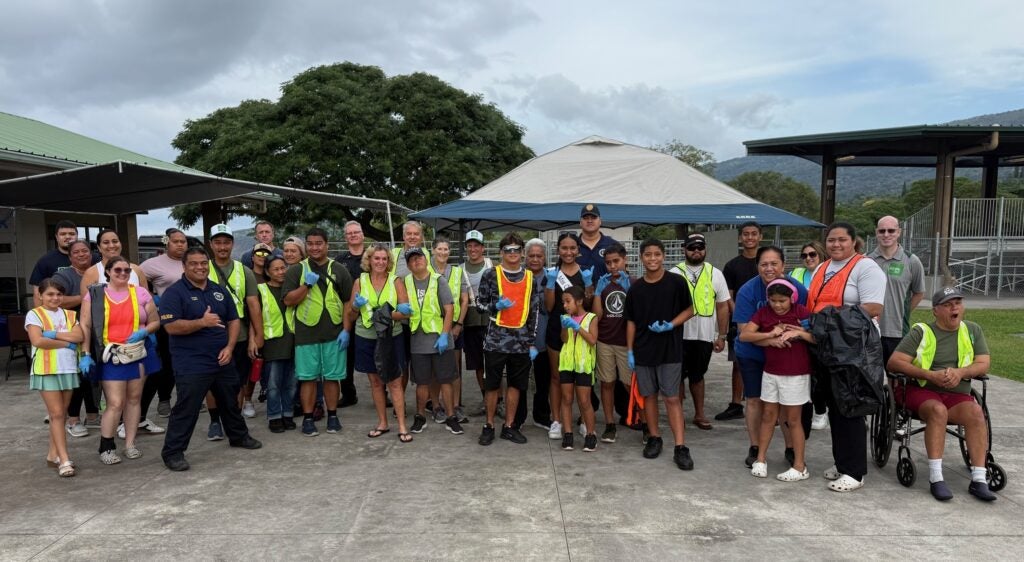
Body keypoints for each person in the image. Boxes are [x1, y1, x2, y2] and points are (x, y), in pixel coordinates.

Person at [886, 286, 997, 502]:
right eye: (947, 304)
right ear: (936, 310)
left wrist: (961, 372)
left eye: (957, 303)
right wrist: (929, 375)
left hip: (956, 394)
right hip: (921, 390)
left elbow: (983, 363)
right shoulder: (922, 331)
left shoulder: (972, 330)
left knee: (975, 412)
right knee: (937, 411)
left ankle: (979, 479)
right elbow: (894, 362)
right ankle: (936, 478)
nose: (954, 308)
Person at [160, 247, 262, 471]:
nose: (200, 267)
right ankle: (173, 453)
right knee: (187, 407)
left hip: (222, 358)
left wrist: (230, 346)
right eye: (194, 263)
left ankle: (238, 436)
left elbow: (234, 320)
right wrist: (201, 322)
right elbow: (171, 326)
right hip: (192, 362)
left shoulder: (218, 290)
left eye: (203, 263)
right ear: (184, 267)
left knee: (230, 400)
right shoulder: (174, 293)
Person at [806, 222, 886, 493]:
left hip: (852, 349)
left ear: (854, 241)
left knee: (850, 405)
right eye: (831, 240)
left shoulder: (865, 267)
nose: (836, 244)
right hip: (826, 346)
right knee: (834, 405)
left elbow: (874, 306)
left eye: (842, 240)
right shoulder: (822, 268)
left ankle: (854, 471)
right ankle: (841, 462)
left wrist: (829, 320)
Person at [79, 256, 161, 465]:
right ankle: (106, 445)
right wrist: (85, 353)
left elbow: (155, 321)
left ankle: (130, 444)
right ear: (108, 272)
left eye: (126, 270)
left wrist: (143, 333)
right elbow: (85, 325)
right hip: (110, 355)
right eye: (118, 270)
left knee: (134, 399)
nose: (123, 274)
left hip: (138, 352)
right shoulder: (95, 294)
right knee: (115, 402)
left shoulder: (140, 292)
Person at [733, 246, 809, 470]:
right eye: (764, 264)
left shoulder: (798, 290)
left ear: (783, 265)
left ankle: (790, 448)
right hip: (753, 353)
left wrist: (788, 337)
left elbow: (805, 326)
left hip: (786, 356)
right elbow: (743, 331)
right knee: (756, 400)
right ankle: (755, 447)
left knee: (787, 405)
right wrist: (769, 340)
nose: (769, 268)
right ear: (757, 266)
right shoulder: (748, 290)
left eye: (774, 263)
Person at [625, 239, 695, 470]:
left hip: (670, 349)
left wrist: (671, 325)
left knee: (672, 397)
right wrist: (630, 350)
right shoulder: (636, 288)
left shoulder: (676, 282)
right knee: (649, 397)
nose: (652, 258)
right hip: (644, 350)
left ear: (663, 256)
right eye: (648, 254)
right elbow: (631, 322)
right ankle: (654, 438)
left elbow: (690, 309)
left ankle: (681, 447)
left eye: (656, 254)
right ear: (641, 257)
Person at [282, 227, 354, 437]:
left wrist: (346, 330)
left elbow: (348, 302)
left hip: (334, 333)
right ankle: (308, 418)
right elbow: (288, 300)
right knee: (308, 378)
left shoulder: (339, 269)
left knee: (332, 378)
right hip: (306, 335)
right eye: (310, 244)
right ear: (306, 245)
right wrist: (306, 285)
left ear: (327, 245)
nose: (314, 247)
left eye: (318, 243)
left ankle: (332, 416)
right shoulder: (296, 270)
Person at [476, 232, 541, 446]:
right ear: (501, 252)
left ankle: (509, 426)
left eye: (516, 250)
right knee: (493, 385)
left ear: (522, 253)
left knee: (516, 385)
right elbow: (480, 304)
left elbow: (534, 312)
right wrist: (495, 307)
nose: (512, 254)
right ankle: (489, 425)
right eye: (507, 250)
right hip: (495, 341)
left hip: (521, 343)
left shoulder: (530, 277)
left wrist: (531, 341)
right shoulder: (490, 274)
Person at [668, 233, 730, 431]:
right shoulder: (674, 273)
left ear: (705, 249)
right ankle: (678, 415)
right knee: (677, 376)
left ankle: (699, 413)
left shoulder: (715, 273)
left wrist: (722, 335)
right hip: (679, 335)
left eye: (700, 247)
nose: (696, 251)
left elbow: (722, 306)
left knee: (698, 375)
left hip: (703, 336)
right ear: (683, 249)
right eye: (691, 247)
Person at [349, 244, 411, 441]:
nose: (380, 262)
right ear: (369, 260)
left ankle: (402, 426)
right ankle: (382, 423)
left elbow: (405, 312)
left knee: (394, 381)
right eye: (376, 258)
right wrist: (355, 307)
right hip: (366, 336)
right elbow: (351, 313)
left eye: (384, 259)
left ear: (389, 261)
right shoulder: (360, 281)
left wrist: (383, 315)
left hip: (391, 337)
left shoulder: (396, 282)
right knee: (375, 382)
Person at [399, 247, 463, 436]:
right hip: (418, 340)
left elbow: (449, 308)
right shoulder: (405, 282)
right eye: (412, 260)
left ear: (426, 260)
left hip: (440, 339)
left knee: (446, 380)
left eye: (419, 258)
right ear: (409, 265)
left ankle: (451, 417)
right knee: (421, 382)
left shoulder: (438, 280)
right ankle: (420, 417)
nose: (416, 261)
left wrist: (445, 334)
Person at [206, 224, 263, 427]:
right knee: (212, 383)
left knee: (237, 381)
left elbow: (253, 305)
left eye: (227, 242)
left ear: (232, 244)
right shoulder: (203, 268)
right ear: (211, 244)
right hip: (210, 335)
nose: (223, 247)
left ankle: (234, 421)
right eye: (218, 242)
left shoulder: (243, 271)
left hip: (239, 334)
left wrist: (257, 336)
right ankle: (215, 422)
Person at [26, 278, 84, 477]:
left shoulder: (69, 314)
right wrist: (65, 343)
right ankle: (64, 459)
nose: (55, 298)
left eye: (59, 294)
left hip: (68, 368)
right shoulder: (34, 314)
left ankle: (53, 454)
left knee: (60, 415)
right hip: (46, 369)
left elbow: (79, 337)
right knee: (58, 414)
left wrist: (53, 335)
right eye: (50, 294)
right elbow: (38, 340)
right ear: (40, 295)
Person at [544, 232, 595, 440]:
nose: (568, 252)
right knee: (557, 378)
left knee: (583, 379)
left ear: (578, 250)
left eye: (572, 248)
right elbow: (548, 307)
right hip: (558, 331)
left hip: (581, 334)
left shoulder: (585, 273)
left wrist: (589, 285)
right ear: (558, 250)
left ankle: (584, 420)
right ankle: (557, 421)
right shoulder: (553, 272)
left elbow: (590, 306)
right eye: (564, 248)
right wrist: (549, 284)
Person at [52, 240, 100, 437]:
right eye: (77, 252)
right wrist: (87, 297)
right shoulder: (63, 275)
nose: (81, 255)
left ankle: (92, 415)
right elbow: (56, 299)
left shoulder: (96, 271)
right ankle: (73, 419)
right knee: (78, 376)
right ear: (70, 257)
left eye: (85, 251)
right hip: (73, 331)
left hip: (96, 330)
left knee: (92, 374)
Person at [717, 221, 763, 422]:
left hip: (767, 324)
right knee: (739, 364)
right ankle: (736, 404)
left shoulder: (766, 263)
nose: (750, 237)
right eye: (746, 234)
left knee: (767, 365)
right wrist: (744, 317)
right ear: (740, 237)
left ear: (760, 236)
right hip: (741, 324)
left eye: (754, 234)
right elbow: (729, 297)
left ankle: (767, 405)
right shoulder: (732, 266)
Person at [140, 228, 187, 421]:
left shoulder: (192, 261)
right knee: (167, 362)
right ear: (167, 243)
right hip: (167, 319)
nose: (180, 245)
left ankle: (187, 397)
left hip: (192, 317)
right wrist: (151, 299)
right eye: (176, 241)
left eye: (183, 241)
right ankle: (164, 398)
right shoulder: (152, 264)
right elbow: (135, 278)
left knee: (187, 361)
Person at [868, 215, 925, 364]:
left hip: (898, 332)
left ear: (899, 232)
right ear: (876, 232)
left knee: (896, 379)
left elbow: (919, 292)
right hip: (869, 331)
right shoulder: (866, 261)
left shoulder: (911, 260)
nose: (886, 234)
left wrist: (903, 311)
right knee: (869, 379)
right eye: (882, 231)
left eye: (891, 230)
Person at [591, 242, 633, 442]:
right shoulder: (604, 283)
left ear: (625, 260)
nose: (612, 266)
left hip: (626, 342)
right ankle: (609, 424)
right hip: (605, 340)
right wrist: (598, 292)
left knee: (630, 384)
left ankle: (642, 420)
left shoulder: (633, 282)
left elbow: (636, 314)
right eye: (608, 263)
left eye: (616, 261)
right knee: (607, 383)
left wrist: (629, 290)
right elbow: (597, 316)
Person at [431, 237, 470, 424]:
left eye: (446, 249)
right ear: (432, 250)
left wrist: (458, 325)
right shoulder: (426, 271)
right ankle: (436, 406)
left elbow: (464, 300)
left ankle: (454, 406)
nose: (443, 252)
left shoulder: (456, 272)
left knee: (453, 369)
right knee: (434, 370)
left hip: (453, 327)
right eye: (439, 249)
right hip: (431, 327)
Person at [516, 238, 552, 431]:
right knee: (520, 381)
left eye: (539, 256)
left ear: (545, 258)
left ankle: (541, 415)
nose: (535, 259)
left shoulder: (553, 277)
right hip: (521, 340)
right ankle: (519, 417)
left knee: (543, 382)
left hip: (543, 340)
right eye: (531, 255)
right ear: (525, 256)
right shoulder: (517, 276)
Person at [792, 241, 829, 431]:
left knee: (819, 374)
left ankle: (821, 411)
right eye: (804, 255)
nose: (808, 258)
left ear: (821, 255)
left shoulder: (829, 273)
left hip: (822, 329)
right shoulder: (796, 274)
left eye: (812, 254)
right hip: (801, 328)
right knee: (805, 373)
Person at [257, 256, 296, 433]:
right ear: (267, 272)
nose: (281, 272)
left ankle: (288, 414)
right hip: (272, 343)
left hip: (293, 342)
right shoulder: (261, 290)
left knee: (291, 383)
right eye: (276, 269)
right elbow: (254, 318)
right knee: (272, 383)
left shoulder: (292, 289)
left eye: (283, 268)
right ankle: (274, 416)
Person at [558, 286, 599, 452]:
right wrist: (564, 326)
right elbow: (564, 339)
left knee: (584, 401)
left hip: (583, 365)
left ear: (579, 301)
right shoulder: (565, 317)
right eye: (563, 302)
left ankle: (590, 434)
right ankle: (568, 433)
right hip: (567, 364)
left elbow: (592, 340)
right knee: (566, 399)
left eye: (568, 301)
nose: (565, 305)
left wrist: (577, 327)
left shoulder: (591, 318)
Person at [461, 229, 493, 416]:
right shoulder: (460, 269)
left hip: (490, 318)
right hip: (471, 319)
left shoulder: (492, 265)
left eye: (476, 245)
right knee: (477, 363)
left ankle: (498, 400)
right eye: (470, 246)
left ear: (482, 248)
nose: (473, 249)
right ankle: (485, 398)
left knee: (494, 362)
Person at [335, 220, 367, 408]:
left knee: (376, 354)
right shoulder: (340, 260)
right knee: (345, 356)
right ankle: (348, 393)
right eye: (349, 233)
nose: (353, 235)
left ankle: (383, 393)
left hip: (370, 313)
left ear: (363, 234)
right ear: (345, 237)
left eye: (356, 232)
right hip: (347, 312)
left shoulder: (372, 256)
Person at [78, 229, 148, 296]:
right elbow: (87, 304)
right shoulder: (91, 273)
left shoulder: (136, 270)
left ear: (120, 244)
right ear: (99, 247)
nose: (111, 245)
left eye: (115, 241)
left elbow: (147, 300)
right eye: (106, 242)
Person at [30, 220, 79, 307]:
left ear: (77, 236)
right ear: (56, 237)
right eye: (63, 234)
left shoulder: (91, 258)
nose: (67, 237)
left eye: (71, 234)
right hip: (57, 314)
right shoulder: (45, 261)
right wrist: (41, 318)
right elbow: (38, 295)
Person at [576, 203, 617, 279]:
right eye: (586, 218)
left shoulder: (612, 244)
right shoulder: (573, 246)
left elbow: (621, 271)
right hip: (578, 290)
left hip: (606, 290)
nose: (590, 221)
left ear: (600, 221)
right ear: (580, 222)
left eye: (594, 217)